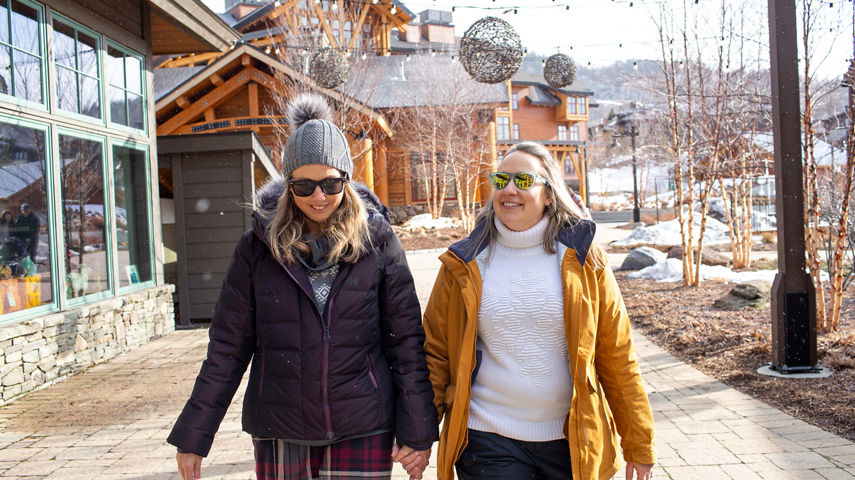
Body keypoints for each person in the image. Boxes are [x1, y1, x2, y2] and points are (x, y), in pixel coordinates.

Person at [168, 93, 438, 480]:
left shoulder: (378, 242)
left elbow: (406, 342)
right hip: (280, 429)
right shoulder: (256, 248)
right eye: (304, 185)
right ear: (287, 183)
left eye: (330, 183)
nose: (318, 196)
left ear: (346, 178)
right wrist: (195, 435)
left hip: (363, 426)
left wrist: (418, 432)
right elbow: (227, 348)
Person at [422, 141, 656, 480]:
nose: (509, 190)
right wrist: (418, 435)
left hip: (571, 439)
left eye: (523, 180)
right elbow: (437, 353)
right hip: (487, 437)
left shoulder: (584, 259)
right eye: (501, 180)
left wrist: (638, 443)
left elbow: (617, 355)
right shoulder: (464, 264)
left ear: (549, 193)